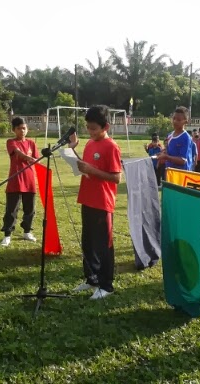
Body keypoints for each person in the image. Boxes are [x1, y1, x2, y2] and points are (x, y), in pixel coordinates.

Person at [70, 105, 122, 300]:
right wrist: (72, 153)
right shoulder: (90, 144)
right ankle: (91, 279)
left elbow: (116, 178)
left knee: (103, 245)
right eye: (87, 127)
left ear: (105, 126)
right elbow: (85, 168)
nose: (89, 131)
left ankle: (106, 285)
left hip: (102, 201)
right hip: (87, 198)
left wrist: (91, 170)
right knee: (88, 242)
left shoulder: (111, 147)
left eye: (93, 128)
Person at [0, 117, 39, 246]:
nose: (22, 131)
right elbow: (17, 153)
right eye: (19, 128)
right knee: (12, 209)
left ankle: (27, 231)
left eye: (24, 128)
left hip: (29, 180)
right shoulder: (11, 142)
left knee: (30, 209)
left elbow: (37, 159)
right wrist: (29, 158)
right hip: (15, 180)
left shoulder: (31, 143)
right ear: (14, 130)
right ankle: (7, 234)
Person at [157, 107, 193, 171]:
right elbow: (168, 151)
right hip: (170, 172)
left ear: (186, 121)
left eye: (178, 120)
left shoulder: (186, 138)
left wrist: (166, 157)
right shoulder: (170, 135)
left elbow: (183, 160)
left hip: (181, 174)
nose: (175, 121)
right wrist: (163, 153)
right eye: (174, 119)